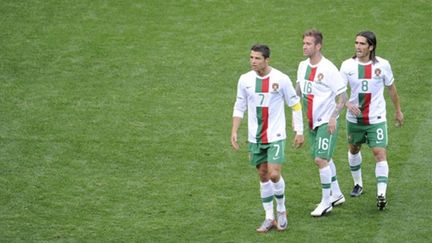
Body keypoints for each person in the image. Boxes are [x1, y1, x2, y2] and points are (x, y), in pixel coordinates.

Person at [231, 44, 304, 233]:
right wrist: (234, 131)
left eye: (257, 58)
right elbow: (240, 106)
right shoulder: (245, 80)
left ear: (267, 60)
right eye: (251, 58)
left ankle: (281, 210)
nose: (253, 61)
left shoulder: (281, 79)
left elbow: (295, 104)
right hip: (255, 137)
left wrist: (299, 130)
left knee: (274, 174)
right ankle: (268, 217)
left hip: (276, 135)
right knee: (263, 175)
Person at [340, 31, 404, 210]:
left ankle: (381, 194)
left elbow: (391, 89)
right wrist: (347, 104)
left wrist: (398, 111)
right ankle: (358, 184)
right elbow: (339, 91)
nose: (358, 47)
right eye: (356, 43)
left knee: (379, 152)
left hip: (376, 118)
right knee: (354, 149)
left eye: (362, 44)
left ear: (371, 47)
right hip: (354, 119)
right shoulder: (347, 65)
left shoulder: (383, 65)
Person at [296, 29, 347, 217]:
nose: (304, 46)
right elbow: (299, 91)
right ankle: (337, 194)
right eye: (303, 43)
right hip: (312, 122)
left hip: (327, 121)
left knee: (320, 159)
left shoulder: (328, 69)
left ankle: (326, 202)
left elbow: (343, 97)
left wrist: (333, 116)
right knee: (325, 158)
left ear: (318, 46)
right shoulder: (302, 66)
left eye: (308, 44)